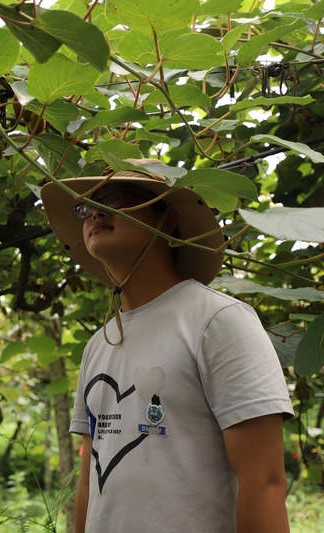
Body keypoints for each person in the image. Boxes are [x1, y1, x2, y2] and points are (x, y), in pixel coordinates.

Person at [41, 160, 293, 533]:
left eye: (117, 198)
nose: (96, 212)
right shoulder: (97, 345)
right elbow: (90, 478)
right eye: (86, 206)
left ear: (167, 221)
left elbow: (264, 481)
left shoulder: (218, 321)